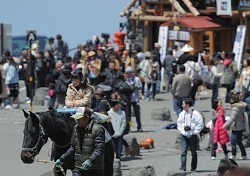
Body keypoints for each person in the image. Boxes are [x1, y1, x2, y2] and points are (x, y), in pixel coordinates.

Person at [55, 107, 105, 176]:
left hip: (94, 169)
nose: (77, 120)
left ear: (87, 118)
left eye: (79, 118)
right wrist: (62, 159)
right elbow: (73, 148)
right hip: (79, 167)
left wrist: (90, 160)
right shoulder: (76, 128)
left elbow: (99, 149)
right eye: (76, 118)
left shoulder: (98, 129)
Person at [177, 98, 204, 172]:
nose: (182, 106)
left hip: (192, 135)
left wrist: (194, 131)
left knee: (193, 152)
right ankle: (183, 167)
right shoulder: (182, 113)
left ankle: (193, 167)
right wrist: (182, 130)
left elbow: (200, 124)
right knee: (183, 152)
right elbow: (179, 123)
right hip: (184, 135)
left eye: (183, 104)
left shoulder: (195, 113)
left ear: (187, 105)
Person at [223, 93, 247, 160]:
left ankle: (242, 155)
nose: (230, 100)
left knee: (237, 141)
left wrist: (225, 125)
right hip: (237, 126)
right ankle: (236, 155)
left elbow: (232, 119)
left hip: (237, 127)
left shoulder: (235, 108)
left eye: (231, 98)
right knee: (234, 141)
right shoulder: (238, 107)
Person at [125, 66, 143, 131]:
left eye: (130, 73)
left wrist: (135, 86)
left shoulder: (136, 79)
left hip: (135, 98)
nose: (128, 74)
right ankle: (129, 126)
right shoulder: (125, 79)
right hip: (128, 99)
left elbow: (141, 86)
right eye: (127, 73)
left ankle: (139, 126)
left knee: (137, 113)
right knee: (128, 114)